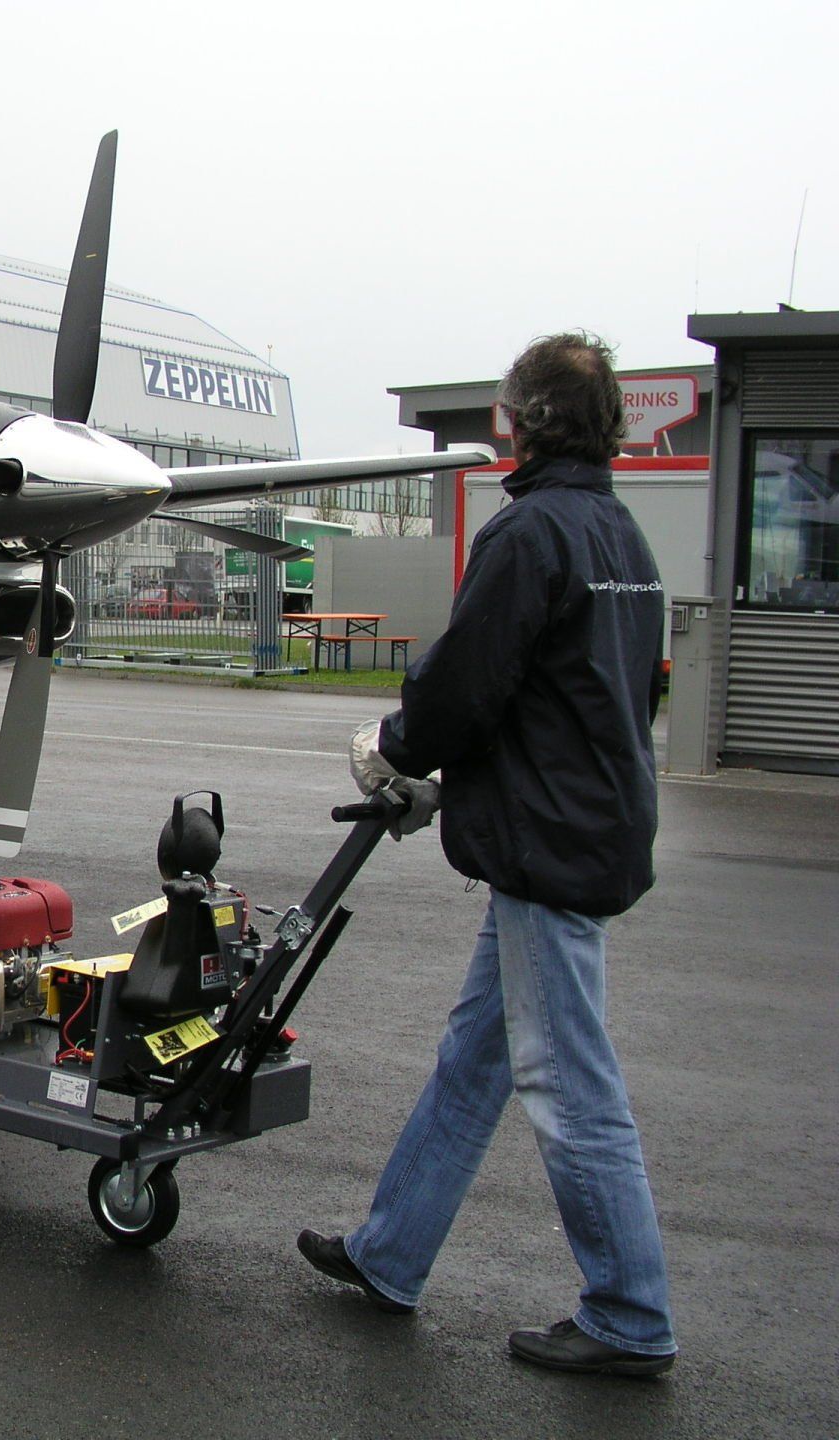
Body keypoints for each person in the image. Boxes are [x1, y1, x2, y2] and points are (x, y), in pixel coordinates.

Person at [297, 333, 678, 1377]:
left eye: (508, 411)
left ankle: (630, 1313)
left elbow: (470, 683)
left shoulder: (531, 534)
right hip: (586, 821)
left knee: (566, 1078)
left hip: (548, 847)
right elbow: (609, 697)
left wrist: (399, 751)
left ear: (525, 423)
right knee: (478, 1058)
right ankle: (391, 1254)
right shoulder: (620, 536)